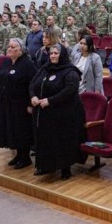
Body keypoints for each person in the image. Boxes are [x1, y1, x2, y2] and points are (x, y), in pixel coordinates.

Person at [29, 44, 86, 180]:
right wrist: (33, 96)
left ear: (63, 55)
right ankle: (45, 166)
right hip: (44, 113)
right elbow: (32, 83)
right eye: (51, 53)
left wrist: (50, 100)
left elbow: (69, 90)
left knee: (61, 141)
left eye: (56, 53)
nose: (53, 56)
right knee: (45, 140)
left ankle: (65, 168)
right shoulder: (45, 68)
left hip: (64, 114)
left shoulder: (70, 71)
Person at [0, 38, 37, 170]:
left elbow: (33, 85)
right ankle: (18, 155)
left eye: (13, 47)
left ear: (21, 50)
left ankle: (25, 157)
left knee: (21, 129)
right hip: (5, 103)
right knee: (10, 129)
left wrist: (30, 103)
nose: (9, 49)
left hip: (21, 104)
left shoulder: (27, 65)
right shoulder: (6, 62)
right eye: (9, 47)